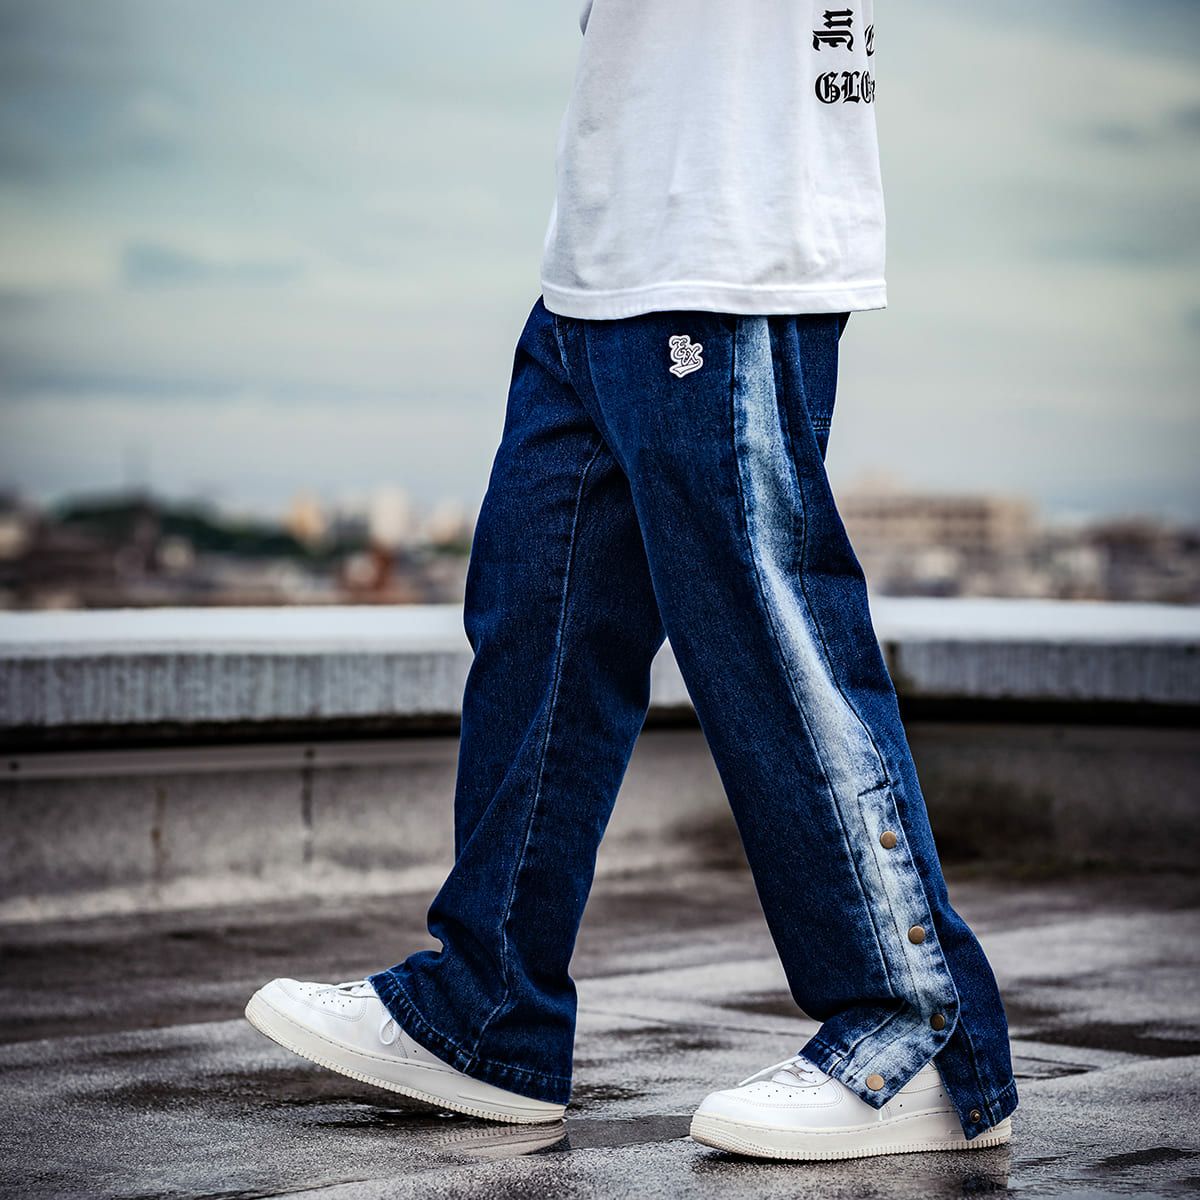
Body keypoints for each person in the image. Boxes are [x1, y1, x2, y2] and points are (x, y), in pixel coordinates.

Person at [246, 0, 1018, 1161]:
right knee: (537, 631)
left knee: (767, 638)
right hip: (599, 264)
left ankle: (921, 1034)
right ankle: (486, 1015)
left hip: (725, 247)